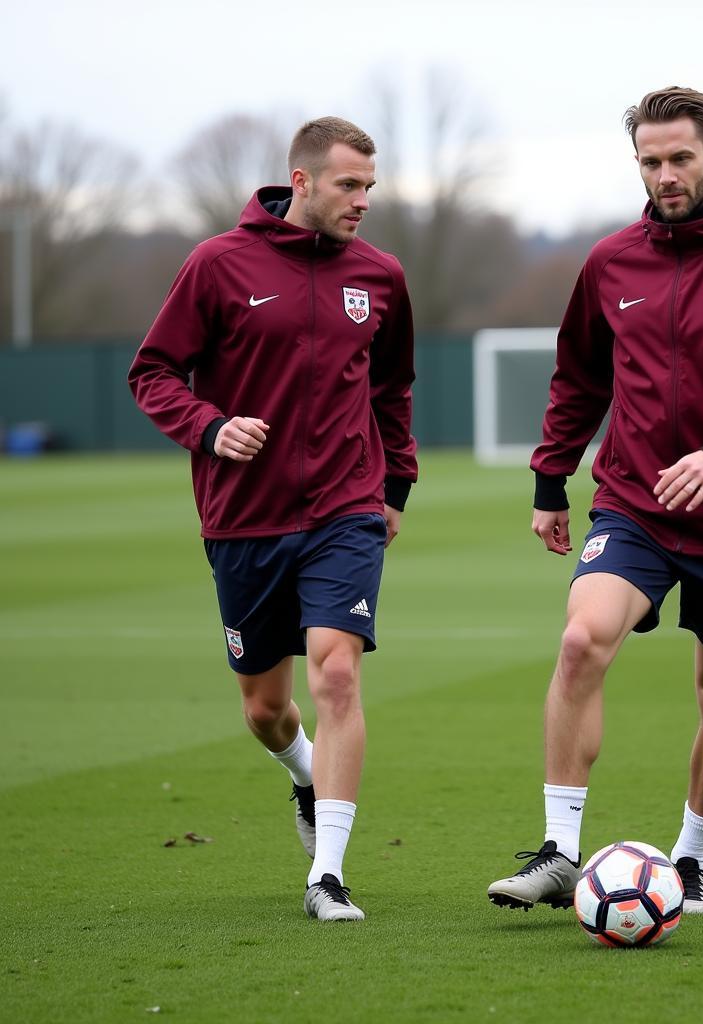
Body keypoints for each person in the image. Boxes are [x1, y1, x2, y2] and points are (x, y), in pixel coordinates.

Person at [487, 87, 703, 915]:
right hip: (634, 505)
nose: (666, 175)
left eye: (681, 158)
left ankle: (692, 860)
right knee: (581, 641)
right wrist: (550, 479)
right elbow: (578, 377)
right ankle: (560, 852)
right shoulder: (612, 263)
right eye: (651, 161)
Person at [128, 117, 417, 922]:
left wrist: (396, 487)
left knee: (336, 671)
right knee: (265, 708)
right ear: (303, 180)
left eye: (370, 186)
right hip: (243, 519)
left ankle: (328, 873)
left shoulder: (382, 277)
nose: (364, 200)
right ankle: (303, 773)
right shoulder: (218, 265)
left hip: (345, 509)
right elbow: (151, 372)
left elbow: (392, 392)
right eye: (349, 185)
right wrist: (212, 427)